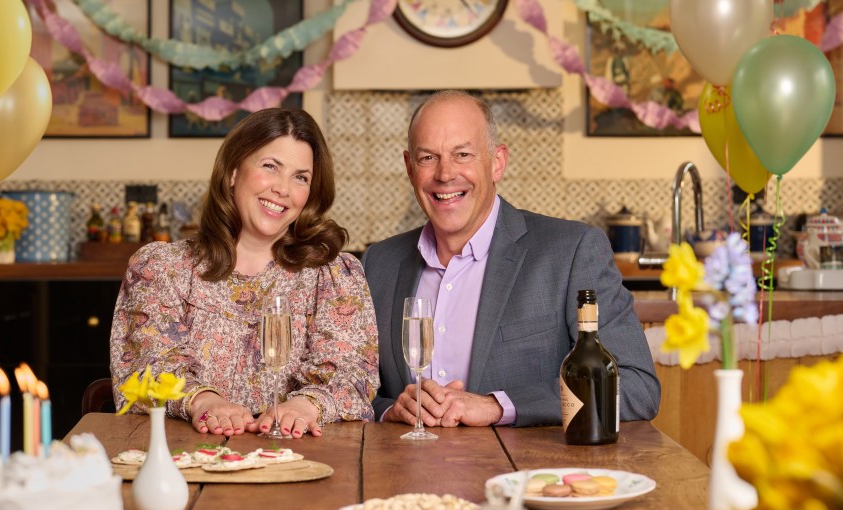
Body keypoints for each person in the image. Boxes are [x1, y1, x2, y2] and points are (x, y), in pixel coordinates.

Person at [362, 90, 660, 427]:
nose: (445, 174)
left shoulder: (572, 251)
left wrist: (497, 406)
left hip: (524, 475)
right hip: (404, 473)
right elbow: (355, 389)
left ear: (497, 163)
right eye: (428, 157)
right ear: (409, 167)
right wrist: (390, 409)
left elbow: (636, 386)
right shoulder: (378, 263)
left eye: (462, 154)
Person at [111, 107, 378, 438]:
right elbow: (147, 369)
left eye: (300, 177)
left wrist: (305, 407)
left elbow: (352, 375)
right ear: (233, 172)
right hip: (186, 463)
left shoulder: (333, 275)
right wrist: (204, 402)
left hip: (300, 462)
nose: (283, 188)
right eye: (270, 167)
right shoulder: (162, 268)